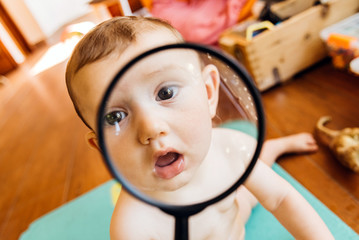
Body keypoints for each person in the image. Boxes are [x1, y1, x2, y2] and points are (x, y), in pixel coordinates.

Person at [65, 16, 333, 239]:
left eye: (166, 92)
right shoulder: (132, 226)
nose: (151, 128)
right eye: (115, 117)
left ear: (208, 92)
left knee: (248, 192)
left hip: (235, 217)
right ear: (100, 146)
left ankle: (274, 148)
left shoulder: (231, 148)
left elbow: (281, 199)